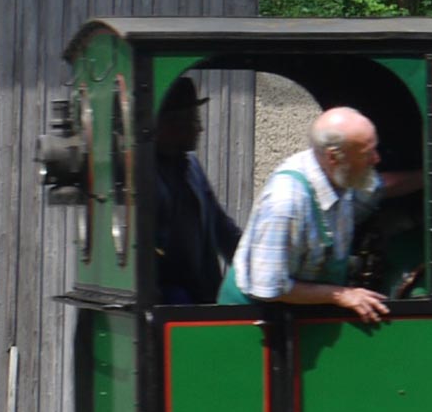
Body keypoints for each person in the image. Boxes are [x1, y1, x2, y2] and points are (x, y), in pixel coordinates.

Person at [220, 107, 415, 324]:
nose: (376, 159)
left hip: (297, 314)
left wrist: (430, 176)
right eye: (367, 154)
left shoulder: (341, 172)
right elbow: (269, 287)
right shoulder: (286, 203)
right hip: (251, 323)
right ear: (334, 157)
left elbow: (378, 187)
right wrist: (341, 295)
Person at [147, 77, 239, 306]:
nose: (200, 127)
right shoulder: (145, 175)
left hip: (202, 295)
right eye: (192, 119)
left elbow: (221, 227)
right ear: (166, 124)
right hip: (169, 300)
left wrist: (253, 261)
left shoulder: (192, 166)